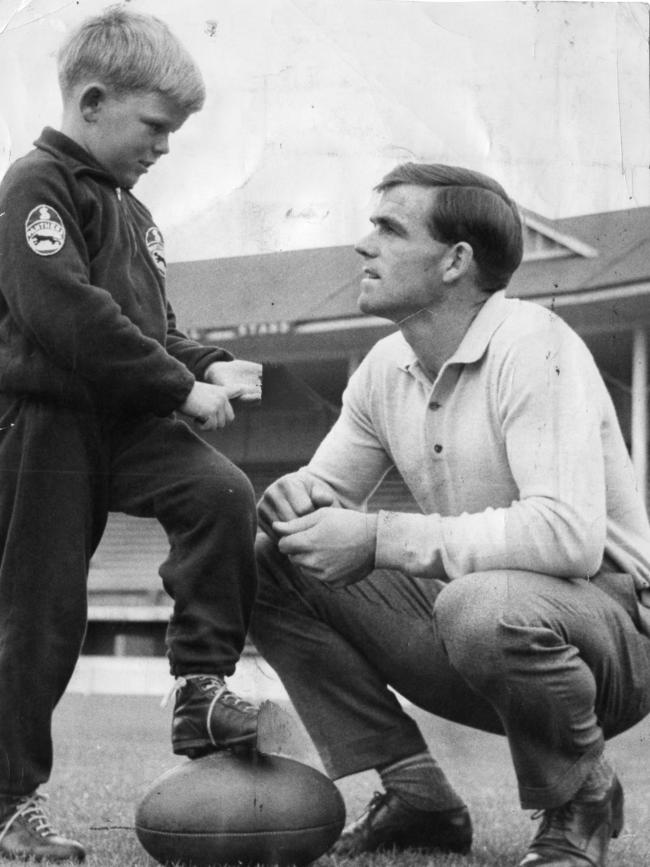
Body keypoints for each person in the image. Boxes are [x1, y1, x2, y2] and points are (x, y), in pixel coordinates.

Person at [251, 162, 650, 867]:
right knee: (270, 560)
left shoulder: (536, 343)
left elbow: (569, 537)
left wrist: (377, 535)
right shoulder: (384, 364)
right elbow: (325, 490)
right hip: (483, 619)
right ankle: (419, 797)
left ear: (455, 261)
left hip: (613, 632)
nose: (363, 245)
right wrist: (292, 502)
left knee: (478, 603)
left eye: (389, 227)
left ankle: (580, 798)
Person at [0, 8, 263, 862]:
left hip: (125, 419)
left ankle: (200, 686)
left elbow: (151, 328)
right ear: (94, 99)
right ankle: (8, 802)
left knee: (222, 492)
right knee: (39, 616)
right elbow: (66, 316)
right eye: (155, 126)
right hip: (46, 426)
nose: (164, 145)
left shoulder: (136, 215)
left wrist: (210, 362)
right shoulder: (34, 186)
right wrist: (179, 388)